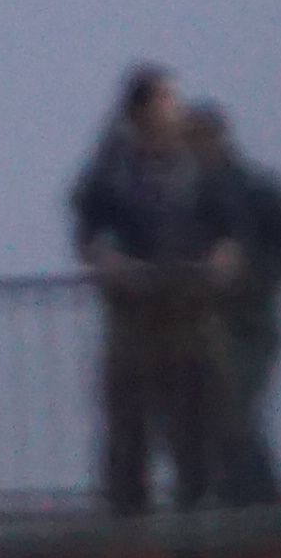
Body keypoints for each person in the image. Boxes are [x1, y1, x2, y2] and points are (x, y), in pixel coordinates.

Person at [68, 65, 224, 518]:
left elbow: (227, 218)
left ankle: (198, 507)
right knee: (130, 417)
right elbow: (87, 228)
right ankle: (127, 513)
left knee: (196, 414)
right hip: (134, 309)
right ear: (141, 110)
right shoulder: (112, 167)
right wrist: (110, 264)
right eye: (166, 100)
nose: (175, 110)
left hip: (190, 303)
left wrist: (221, 257)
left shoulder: (197, 163)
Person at [184, 101, 281, 511]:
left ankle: (258, 506)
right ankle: (251, 504)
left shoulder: (253, 189)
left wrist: (256, 272)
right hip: (203, 323)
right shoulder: (190, 195)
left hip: (248, 322)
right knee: (219, 411)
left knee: (229, 406)